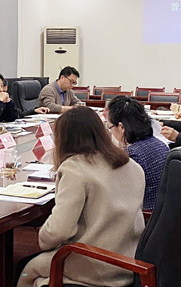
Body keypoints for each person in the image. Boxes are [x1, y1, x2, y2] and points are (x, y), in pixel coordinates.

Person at [17, 107, 145, 287]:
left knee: (26, 270)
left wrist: (40, 238)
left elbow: (59, 231)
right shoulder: (131, 164)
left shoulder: (74, 168)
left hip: (95, 262)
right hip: (130, 261)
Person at [107, 96, 169, 210]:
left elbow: (121, 194)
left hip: (144, 213)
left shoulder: (133, 154)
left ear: (121, 127)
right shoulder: (161, 144)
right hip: (162, 210)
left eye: (110, 127)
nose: (110, 132)